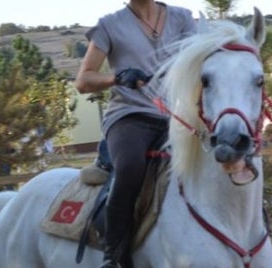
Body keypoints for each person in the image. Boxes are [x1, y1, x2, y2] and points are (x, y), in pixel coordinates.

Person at [74, 1, 196, 267]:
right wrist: (117, 78)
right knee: (130, 167)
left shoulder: (182, 18)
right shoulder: (110, 25)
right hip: (129, 116)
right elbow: (83, 81)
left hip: (176, 117)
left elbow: (202, 59)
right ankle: (113, 255)